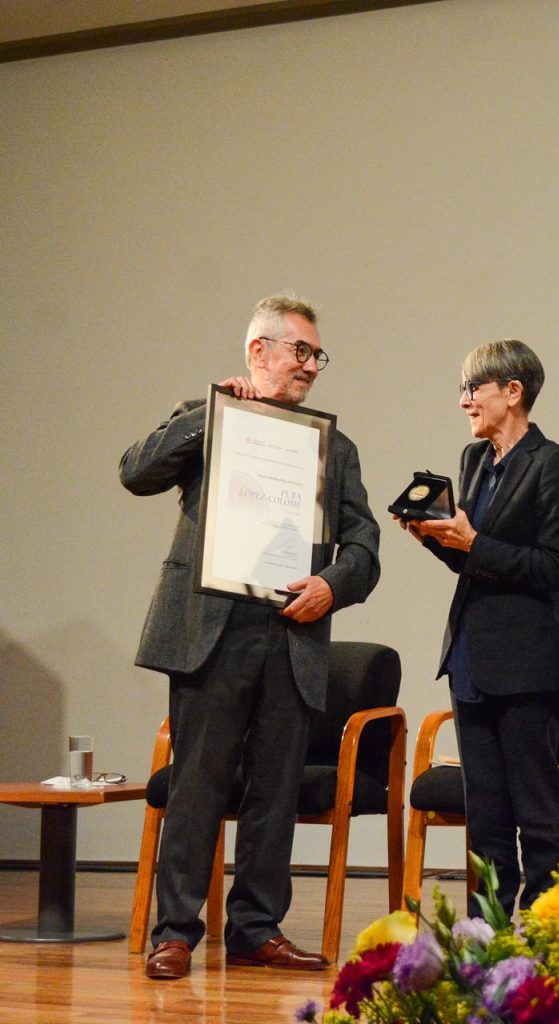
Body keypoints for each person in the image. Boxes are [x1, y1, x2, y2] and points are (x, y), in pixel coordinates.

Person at [120, 295, 380, 979]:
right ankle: (174, 932)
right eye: (300, 351)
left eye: (317, 355)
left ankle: (255, 929)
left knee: (276, 790)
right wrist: (212, 414)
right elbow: (135, 471)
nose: (311, 367)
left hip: (292, 633)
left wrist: (333, 585)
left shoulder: (335, 446)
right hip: (212, 631)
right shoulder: (207, 420)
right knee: (196, 785)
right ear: (257, 352)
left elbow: (364, 543)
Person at [397, 340, 559, 916]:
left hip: (527, 663)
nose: (463, 402)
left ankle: (553, 933)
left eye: (471, 389)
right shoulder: (475, 461)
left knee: (536, 815)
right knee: (488, 816)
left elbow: (556, 567)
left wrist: (474, 542)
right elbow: (473, 560)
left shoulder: (555, 462)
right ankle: (488, 934)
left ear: (512, 391)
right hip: (471, 659)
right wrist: (437, 540)